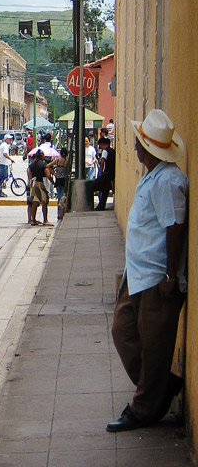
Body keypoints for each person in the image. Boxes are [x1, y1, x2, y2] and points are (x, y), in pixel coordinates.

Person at [107, 109, 188, 433]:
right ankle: (161, 386)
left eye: (139, 143)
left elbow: (175, 226)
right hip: (138, 275)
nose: (136, 148)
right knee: (123, 331)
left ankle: (143, 408)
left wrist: (170, 276)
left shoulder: (168, 180)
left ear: (148, 149)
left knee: (154, 346)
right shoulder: (152, 175)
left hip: (158, 279)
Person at [27, 149, 54, 225]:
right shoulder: (44, 165)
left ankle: (33, 220)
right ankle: (45, 220)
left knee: (35, 202)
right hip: (42, 183)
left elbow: (30, 175)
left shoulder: (31, 165)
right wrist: (53, 182)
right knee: (44, 202)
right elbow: (48, 175)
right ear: (42, 156)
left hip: (34, 183)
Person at [91, 137, 116, 210]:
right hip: (112, 173)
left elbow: (102, 161)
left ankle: (100, 206)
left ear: (102, 144)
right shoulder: (113, 151)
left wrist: (102, 171)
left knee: (94, 186)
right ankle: (101, 206)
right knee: (105, 190)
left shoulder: (105, 151)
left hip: (106, 173)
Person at [49, 148, 70, 220]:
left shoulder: (57, 161)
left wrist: (54, 174)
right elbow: (69, 172)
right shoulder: (66, 162)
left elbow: (48, 166)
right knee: (63, 197)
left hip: (58, 180)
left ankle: (59, 212)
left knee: (59, 196)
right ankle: (62, 211)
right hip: (64, 180)